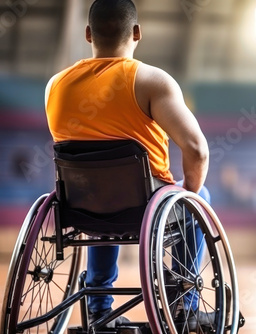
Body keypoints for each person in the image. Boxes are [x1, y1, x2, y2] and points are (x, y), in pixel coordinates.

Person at [44, 0, 210, 328]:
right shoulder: (151, 81)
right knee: (200, 199)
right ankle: (185, 307)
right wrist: (188, 192)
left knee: (100, 191)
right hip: (145, 205)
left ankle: (98, 311)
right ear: (137, 32)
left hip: (80, 206)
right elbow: (197, 149)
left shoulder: (55, 85)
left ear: (88, 34)